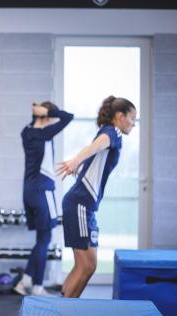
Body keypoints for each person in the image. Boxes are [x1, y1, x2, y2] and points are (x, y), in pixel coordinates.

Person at [56, 96, 136, 298]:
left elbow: (96, 154)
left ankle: (62, 305)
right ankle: (64, 310)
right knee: (86, 267)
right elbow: (96, 146)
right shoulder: (112, 132)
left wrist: (81, 165)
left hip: (85, 205)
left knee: (87, 266)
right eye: (132, 119)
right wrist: (76, 161)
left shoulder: (110, 133)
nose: (133, 124)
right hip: (80, 204)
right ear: (120, 116)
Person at [14, 101, 73, 296]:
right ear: (45, 116)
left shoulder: (26, 132)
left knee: (41, 240)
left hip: (28, 192)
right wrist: (47, 111)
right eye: (51, 118)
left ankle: (28, 283)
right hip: (42, 191)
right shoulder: (44, 134)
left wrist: (40, 113)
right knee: (45, 239)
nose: (54, 121)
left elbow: (55, 119)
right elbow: (68, 117)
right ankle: (34, 285)